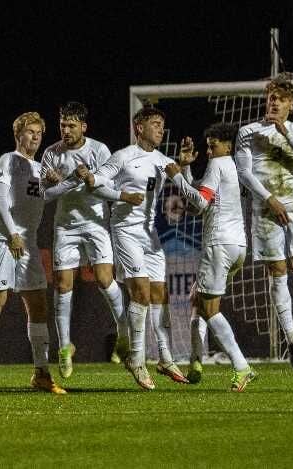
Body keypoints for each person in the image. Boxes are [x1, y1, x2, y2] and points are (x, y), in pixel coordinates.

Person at [79, 106, 189, 390]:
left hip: (151, 233)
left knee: (159, 295)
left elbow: (186, 191)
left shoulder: (164, 160)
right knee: (139, 291)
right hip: (126, 231)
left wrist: (184, 166)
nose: (160, 129)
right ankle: (137, 359)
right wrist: (120, 195)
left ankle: (165, 358)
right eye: (154, 124)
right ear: (139, 127)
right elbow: (95, 184)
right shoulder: (123, 157)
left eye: (162, 124)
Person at [234, 76, 293, 372]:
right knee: (278, 271)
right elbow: (244, 172)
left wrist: (284, 131)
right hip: (264, 207)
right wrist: (269, 199)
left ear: (290, 105)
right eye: (271, 96)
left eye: (281, 98)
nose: (274, 101)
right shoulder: (248, 131)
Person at [0, 111, 66, 395]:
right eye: (30, 132)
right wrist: (13, 232)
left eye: (39, 132)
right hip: (6, 237)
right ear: (18, 135)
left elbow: (43, 198)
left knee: (38, 305)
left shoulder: (39, 168)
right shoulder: (8, 159)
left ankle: (41, 372)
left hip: (29, 242)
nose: (36, 136)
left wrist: (58, 181)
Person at [40, 101, 130, 377]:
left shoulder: (99, 150)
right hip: (65, 227)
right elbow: (44, 195)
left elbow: (110, 188)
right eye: (62, 125)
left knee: (105, 279)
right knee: (63, 286)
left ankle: (123, 333)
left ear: (83, 127)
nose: (65, 130)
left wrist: (90, 178)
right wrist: (64, 181)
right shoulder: (51, 154)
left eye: (71, 125)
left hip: (95, 223)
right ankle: (65, 346)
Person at [165, 123, 257, 391]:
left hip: (219, 244)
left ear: (228, 146)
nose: (208, 149)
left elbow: (200, 202)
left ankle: (242, 367)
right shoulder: (232, 167)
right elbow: (200, 202)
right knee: (197, 298)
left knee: (209, 309)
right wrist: (186, 168)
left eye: (213, 144)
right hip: (237, 244)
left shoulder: (219, 164)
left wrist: (176, 177)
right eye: (207, 145)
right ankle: (195, 362)